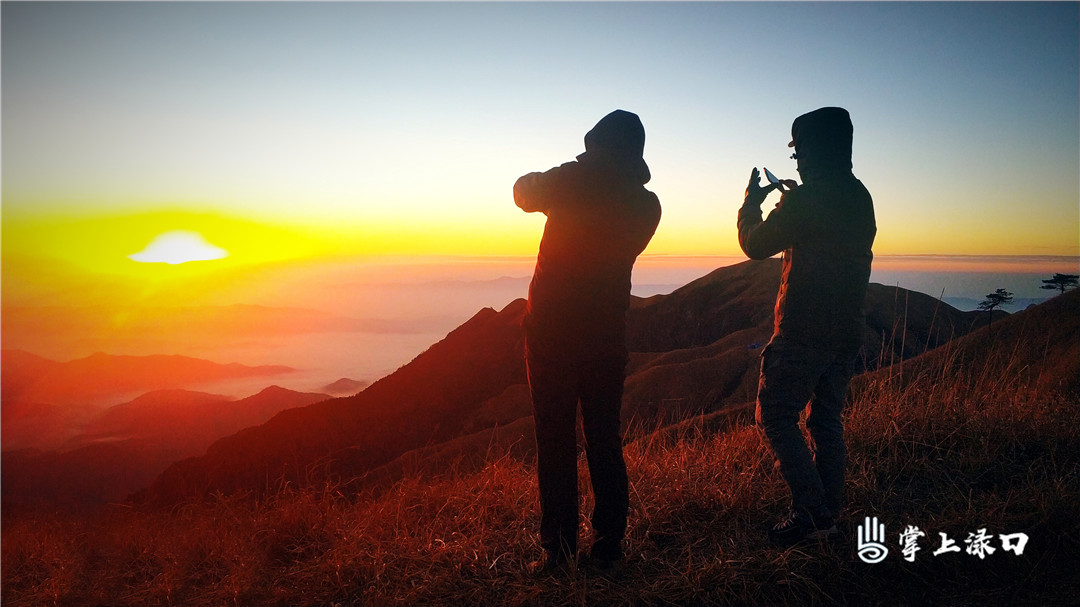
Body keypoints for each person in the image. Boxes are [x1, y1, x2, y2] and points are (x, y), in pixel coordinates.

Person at [514, 110, 661, 574]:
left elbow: (522, 192)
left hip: (553, 334)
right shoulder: (647, 206)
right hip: (606, 336)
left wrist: (571, 171)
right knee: (604, 439)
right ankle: (609, 546)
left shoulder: (571, 181)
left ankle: (558, 551)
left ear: (596, 145)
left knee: (554, 439)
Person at [736, 107, 876, 546]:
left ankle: (811, 514)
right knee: (825, 420)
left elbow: (756, 245)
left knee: (775, 416)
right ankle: (829, 513)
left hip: (803, 330)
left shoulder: (805, 201)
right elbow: (824, 235)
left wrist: (750, 206)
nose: (794, 161)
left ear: (813, 150)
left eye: (797, 150)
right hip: (846, 329)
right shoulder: (859, 195)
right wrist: (794, 203)